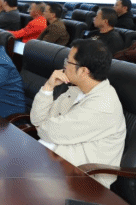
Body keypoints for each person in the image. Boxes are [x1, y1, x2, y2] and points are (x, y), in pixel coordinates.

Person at [30, 39, 126, 189]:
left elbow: (47, 131)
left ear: (83, 71)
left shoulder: (103, 105)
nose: (64, 66)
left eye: (68, 61)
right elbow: (37, 120)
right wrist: (48, 87)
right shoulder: (77, 90)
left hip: (83, 179)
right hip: (55, 161)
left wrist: (43, 127)